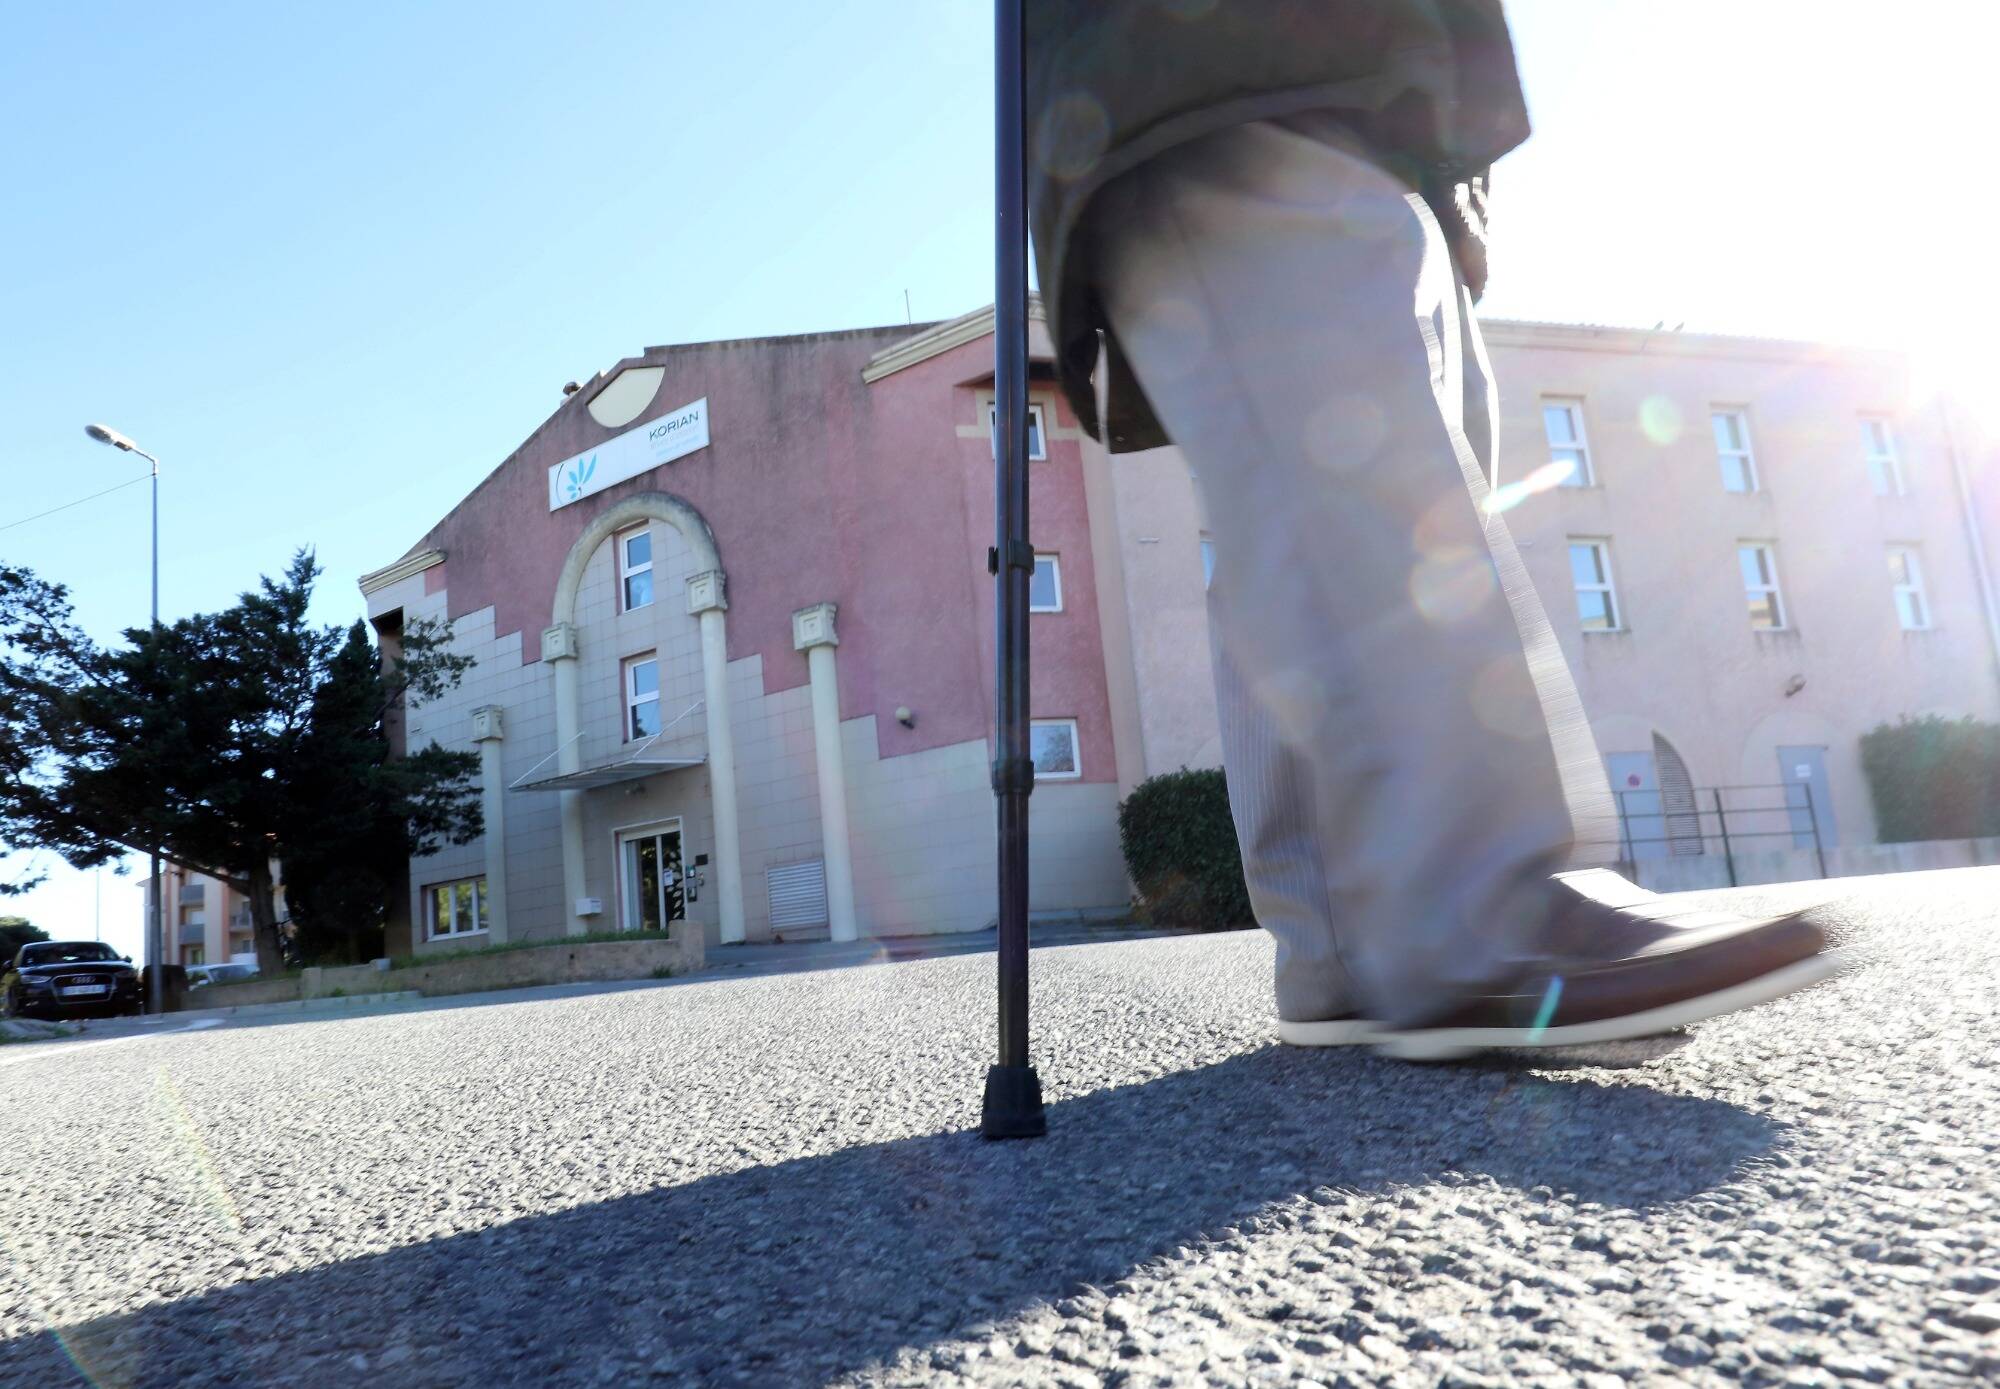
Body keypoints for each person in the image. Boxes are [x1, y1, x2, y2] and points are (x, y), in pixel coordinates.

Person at [1025, 0, 1845, 1059]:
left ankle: (1342, 948)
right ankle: (1477, 917)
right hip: (1201, 65)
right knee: (1364, 491)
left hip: (1371, 105)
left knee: (1314, 506)